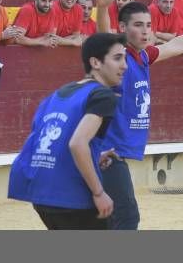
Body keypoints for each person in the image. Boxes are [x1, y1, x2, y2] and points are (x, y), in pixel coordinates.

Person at [94, 0, 183, 229]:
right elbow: (104, 37)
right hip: (104, 153)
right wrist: (103, 8)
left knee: (109, 220)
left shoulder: (145, 56)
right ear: (122, 28)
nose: (145, 31)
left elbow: (177, 45)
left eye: (148, 25)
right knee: (127, 217)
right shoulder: (119, 57)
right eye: (138, 25)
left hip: (111, 153)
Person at [8, 32, 127, 229]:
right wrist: (98, 192)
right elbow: (77, 143)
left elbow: (49, 139)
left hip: (42, 195)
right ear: (96, 63)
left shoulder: (59, 93)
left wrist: (94, 155)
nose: (124, 66)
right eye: (117, 58)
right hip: (71, 196)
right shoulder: (103, 96)